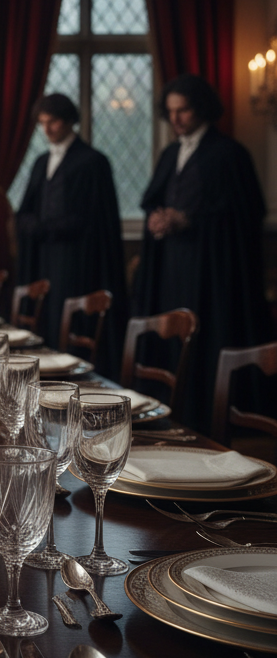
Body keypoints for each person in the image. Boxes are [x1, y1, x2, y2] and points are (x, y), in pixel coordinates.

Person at [133, 74, 268, 427]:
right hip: (171, 267)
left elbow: (245, 214)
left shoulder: (229, 154)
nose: (176, 119)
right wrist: (157, 219)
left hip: (211, 269)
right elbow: (154, 199)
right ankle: (173, 413)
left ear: (202, 108)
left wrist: (188, 219)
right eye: (171, 111)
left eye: (185, 110)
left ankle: (206, 417)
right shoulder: (171, 152)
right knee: (174, 338)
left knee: (206, 337)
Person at [15, 93, 127, 377]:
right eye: (42, 123)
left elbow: (91, 219)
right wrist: (27, 224)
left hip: (76, 261)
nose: (47, 129)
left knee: (69, 325)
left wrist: (42, 227)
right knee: (46, 320)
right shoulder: (42, 161)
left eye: (52, 122)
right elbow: (26, 208)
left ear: (68, 121)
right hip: (43, 258)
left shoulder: (92, 161)